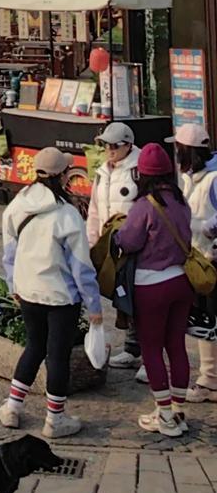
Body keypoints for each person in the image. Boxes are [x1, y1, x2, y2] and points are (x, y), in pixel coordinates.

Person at [0, 146, 103, 439]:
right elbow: (81, 266)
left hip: (27, 290)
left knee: (34, 346)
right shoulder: (67, 214)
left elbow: (9, 253)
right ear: (62, 175)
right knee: (57, 355)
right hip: (60, 296)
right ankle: (55, 420)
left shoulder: (18, 203)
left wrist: (13, 285)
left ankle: (11, 408)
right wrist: (94, 305)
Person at [114, 141, 194, 437]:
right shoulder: (181, 201)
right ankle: (178, 411)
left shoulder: (145, 206)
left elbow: (128, 242)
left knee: (151, 348)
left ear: (142, 175)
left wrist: (117, 235)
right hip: (182, 282)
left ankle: (164, 416)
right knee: (176, 345)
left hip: (151, 286)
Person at [86, 120, 142, 369]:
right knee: (123, 299)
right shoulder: (102, 172)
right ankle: (132, 347)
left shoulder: (139, 169)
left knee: (141, 301)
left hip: (136, 247)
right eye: (105, 145)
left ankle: (149, 354)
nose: (109, 149)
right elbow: (94, 210)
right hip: (111, 248)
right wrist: (93, 242)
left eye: (114, 145)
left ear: (128, 145)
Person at [176, 123, 217, 403]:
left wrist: (208, 229)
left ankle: (209, 380)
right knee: (206, 319)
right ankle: (209, 378)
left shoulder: (213, 179)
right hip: (199, 261)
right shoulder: (190, 177)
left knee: (210, 319)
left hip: (211, 260)